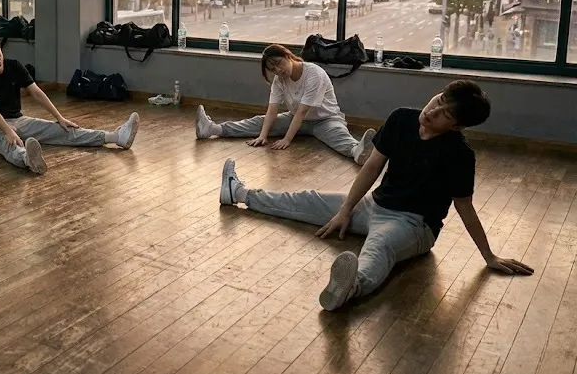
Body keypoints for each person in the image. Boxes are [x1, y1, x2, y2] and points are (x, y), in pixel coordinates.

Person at [217, 80, 534, 312]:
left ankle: (350, 287)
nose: (433, 110)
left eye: (445, 114)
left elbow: (465, 207)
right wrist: (345, 209)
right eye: (438, 100)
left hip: (414, 226)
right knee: (307, 199)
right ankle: (239, 193)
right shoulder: (402, 119)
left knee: (378, 248)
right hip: (374, 206)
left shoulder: (459, 154)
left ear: (457, 126)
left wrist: (489, 257)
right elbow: (370, 168)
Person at [0, 32, 140, 174]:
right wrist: (8, 132)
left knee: (61, 129)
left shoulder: (14, 66)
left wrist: (59, 117)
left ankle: (116, 137)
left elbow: (37, 92)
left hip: (17, 119)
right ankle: (27, 159)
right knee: (6, 141)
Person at [195, 44, 375, 165]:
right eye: (272, 69)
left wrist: (287, 140)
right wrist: (263, 136)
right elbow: (272, 110)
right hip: (295, 119)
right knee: (261, 121)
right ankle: (212, 129)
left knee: (337, 135)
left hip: (325, 119)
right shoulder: (279, 80)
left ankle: (357, 151)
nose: (278, 70)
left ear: (288, 56)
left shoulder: (314, 73)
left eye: (278, 63)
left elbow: (303, 111)